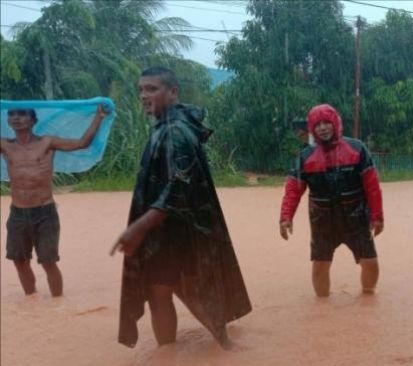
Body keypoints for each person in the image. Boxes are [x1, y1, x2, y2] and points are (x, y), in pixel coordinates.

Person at [110, 67, 251, 348]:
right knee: (168, 291)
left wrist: (139, 226)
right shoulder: (171, 127)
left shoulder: (174, 131)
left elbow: (178, 186)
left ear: (173, 92)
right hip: (172, 229)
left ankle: (219, 350)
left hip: (174, 230)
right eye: (141, 89)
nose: (143, 95)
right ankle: (196, 352)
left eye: (152, 89)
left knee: (174, 290)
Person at [0, 105, 107, 297]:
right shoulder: (5, 145)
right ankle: (31, 301)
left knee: (49, 261)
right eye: (12, 114)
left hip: (44, 213)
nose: (16, 118)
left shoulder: (47, 142)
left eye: (22, 114)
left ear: (33, 120)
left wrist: (98, 118)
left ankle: (57, 303)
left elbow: (82, 143)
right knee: (19, 260)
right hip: (17, 213)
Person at [279, 104, 383, 297]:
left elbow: (373, 186)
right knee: (320, 267)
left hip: (357, 219)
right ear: (312, 128)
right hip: (322, 222)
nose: (323, 128)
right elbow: (293, 190)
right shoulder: (305, 157)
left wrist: (377, 217)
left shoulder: (357, 149)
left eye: (327, 122)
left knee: (370, 264)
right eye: (317, 125)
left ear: (335, 123)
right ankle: (322, 306)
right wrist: (286, 217)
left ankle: (368, 298)